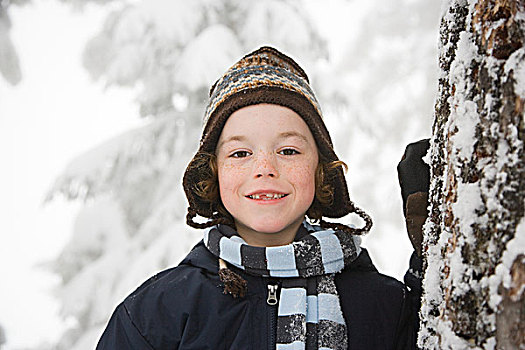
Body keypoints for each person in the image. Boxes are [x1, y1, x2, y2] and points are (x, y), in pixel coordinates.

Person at [96, 46, 429, 350]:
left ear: (319, 170)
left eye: (288, 150)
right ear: (214, 173)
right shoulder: (158, 312)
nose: (265, 168)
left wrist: (432, 261)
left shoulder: (383, 306)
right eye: (240, 153)